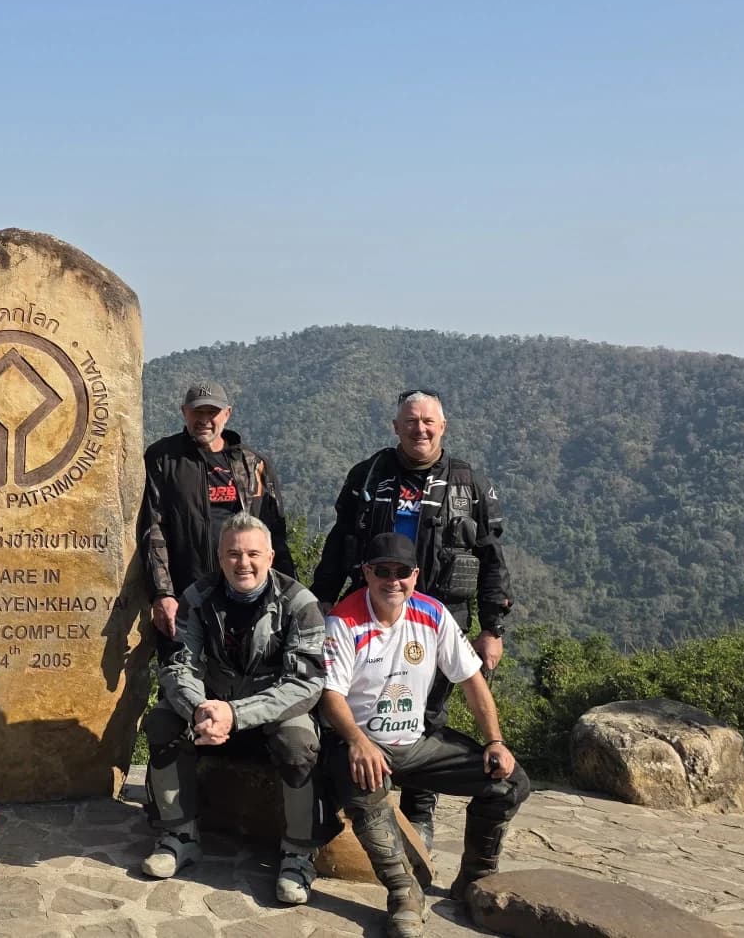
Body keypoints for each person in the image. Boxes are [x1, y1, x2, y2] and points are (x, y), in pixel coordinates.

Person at [309, 388, 513, 848]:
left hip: (440, 614)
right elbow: (340, 537)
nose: (419, 429)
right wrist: (322, 596)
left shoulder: (468, 483)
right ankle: (354, 791)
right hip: (373, 608)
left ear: (443, 427)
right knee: (362, 699)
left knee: (430, 716)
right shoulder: (369, 475)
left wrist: (491, 628)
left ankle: (419, 809)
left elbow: (491, 556)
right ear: (395, 426)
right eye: (410, 421)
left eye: (428, 422)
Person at [320, 532, 531, 937]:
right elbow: (332, 695)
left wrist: (495, 742)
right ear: (367, 573)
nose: (392, 581)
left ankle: (474, 878)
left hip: (417, 743)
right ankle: (403, 892)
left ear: (415, 575)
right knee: (361, 781)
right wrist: (358, 741)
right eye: (382, 571)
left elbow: (472, 682)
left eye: (402, 572)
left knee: (508, 782)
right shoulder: (344, 620)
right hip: (365, 740)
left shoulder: (432, 615)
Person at [138, 511, 325, 905]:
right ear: (219, 558)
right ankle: (179, 834)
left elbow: (304, 684)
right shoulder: (197, 598)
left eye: (253, 554)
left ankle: (298, 854)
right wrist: (199, 708)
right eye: (233, 554)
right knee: (161, 722)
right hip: (211, 709)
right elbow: (177, 665)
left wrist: (237, 714)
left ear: (271, 556)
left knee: (299, 745)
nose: (244, 563)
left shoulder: (299, 604)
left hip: (271, 712)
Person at [137, 381, 295, 652]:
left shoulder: (254, 464)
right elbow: (153, 530)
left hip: (247, 599)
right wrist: (163, 593)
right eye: (197, 412)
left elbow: (275, 536)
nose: (204, 420)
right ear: (184, 412)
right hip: (187, 598)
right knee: (183, 683)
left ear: (227, 414)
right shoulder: (163, 459)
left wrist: (288, 596)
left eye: (212, 412)